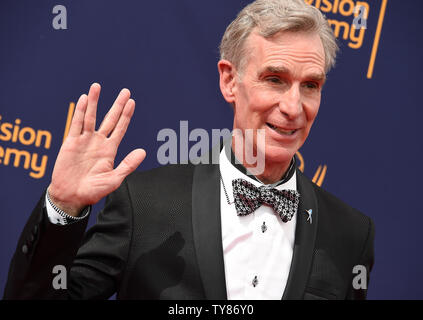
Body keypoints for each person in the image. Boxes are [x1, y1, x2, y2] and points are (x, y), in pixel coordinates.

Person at [3, 0, 374, 300]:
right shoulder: (144, 204)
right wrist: (63, 208)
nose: (294, 107)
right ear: (230, 80)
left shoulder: (350, 233)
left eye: (310, 85)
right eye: (274, 80)